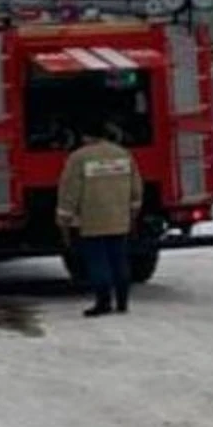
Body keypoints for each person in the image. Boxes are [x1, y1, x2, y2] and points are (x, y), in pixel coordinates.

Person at [56, 123, 143, 316]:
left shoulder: (78, 158)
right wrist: (133, 210)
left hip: (92, 220)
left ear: (87, 137)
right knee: (119, 260)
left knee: (98, 262)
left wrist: (64, 218)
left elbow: (70, 191)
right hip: (119, 219)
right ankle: (122, 302)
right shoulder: (123, 154)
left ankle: (103, 303)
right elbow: (136, 186)